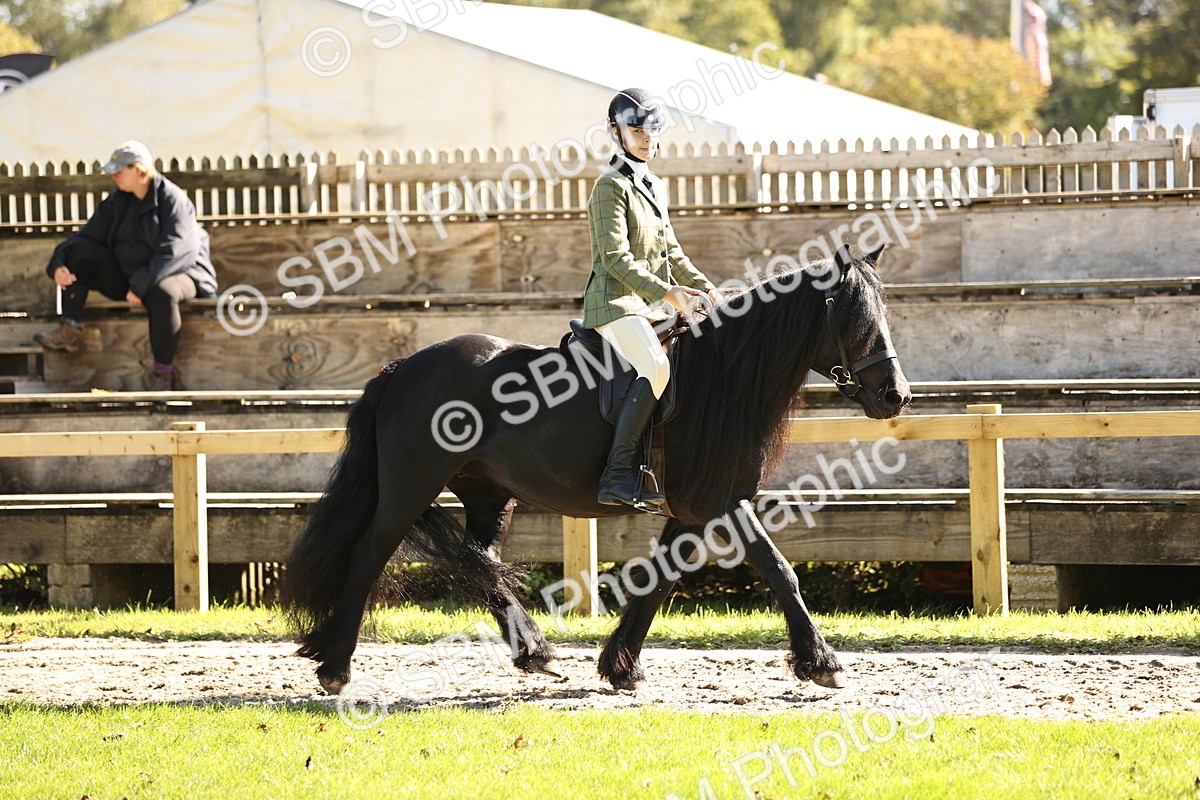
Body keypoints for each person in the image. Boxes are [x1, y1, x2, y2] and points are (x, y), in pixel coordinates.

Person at [583, 88, 722, 510]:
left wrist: (708, 288)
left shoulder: (654, 185)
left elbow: (672, 253)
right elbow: (615, 258)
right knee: (656, 365)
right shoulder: (609, 187)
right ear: (617, 133)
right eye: (636, 130)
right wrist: (666, 292)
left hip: (650, 305)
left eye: (652, 130)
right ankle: (618, 474)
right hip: (615, 303)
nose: (646, 138)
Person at [34, 140, 217, 391]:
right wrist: (58, 265)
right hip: (132, 281)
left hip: (182, 273)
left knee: (163, 292)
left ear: (139, 171)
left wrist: (143, 282)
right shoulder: (116, 201)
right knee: (78, 252)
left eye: (119, 171)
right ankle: (70, 329)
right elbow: (85, 237)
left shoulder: (173, 199)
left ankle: (163, 375)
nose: (113, 176)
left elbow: (178, 251)